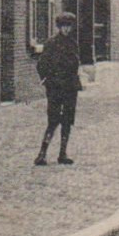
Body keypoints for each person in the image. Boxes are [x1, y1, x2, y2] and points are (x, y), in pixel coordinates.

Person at [35, 12, 82, 166]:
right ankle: (42, 153)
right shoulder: (51, 43)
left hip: (70, 87)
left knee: (67, 120)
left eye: (69, 26)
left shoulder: (73, 44)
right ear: (59, 27)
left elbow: (75, 64)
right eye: (64, 26)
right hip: (55, 87)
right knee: (53, 119)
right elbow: (41, 64)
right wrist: (46, 80)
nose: (66, 29)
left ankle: (63, 153)